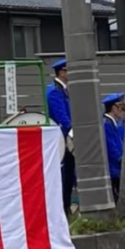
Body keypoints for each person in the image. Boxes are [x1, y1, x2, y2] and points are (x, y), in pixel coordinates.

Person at [46, 58, 75, 215]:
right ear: (61, 72)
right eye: (67, 70)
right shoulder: (55, 92)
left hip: (66, 137)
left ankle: (67, 205)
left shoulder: (63, 90)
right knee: (64, 174)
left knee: (69, 173)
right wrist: (73, 130)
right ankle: (64, 207)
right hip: (62, 138)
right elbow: (62, 117)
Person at [102, 93, 125, 200]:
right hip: (114, 167)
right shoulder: (107, 124)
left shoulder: (112, 123)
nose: (122, 110)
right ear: (114, 108)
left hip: (117, 166)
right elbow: (112, 148)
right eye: (121, 107)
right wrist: (123, 162)